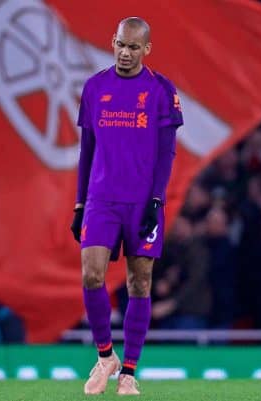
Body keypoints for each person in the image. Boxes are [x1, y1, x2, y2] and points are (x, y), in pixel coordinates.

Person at [70, 16, 183, 395]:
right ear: (112, 41)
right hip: (101, 199)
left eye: (134, 47)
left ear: (146, 50)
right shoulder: (95, 87)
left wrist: (156, 200)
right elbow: (87, 151)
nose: (125, 52)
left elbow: (166, 154)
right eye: (121, 44)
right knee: (91, 275)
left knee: (140, 281)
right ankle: (105, 356)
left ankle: (129, 372)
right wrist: (79, 203)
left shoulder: (162, 91)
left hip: (141, 201)